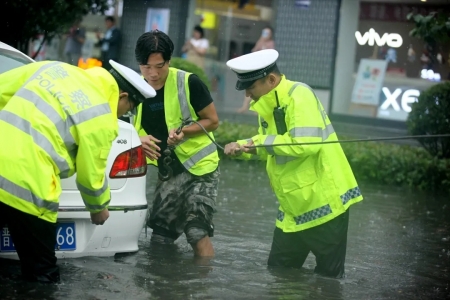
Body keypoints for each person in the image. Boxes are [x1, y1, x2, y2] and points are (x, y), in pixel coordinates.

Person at [0, 59, 156, 283]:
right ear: (122, 96)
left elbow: (2, 88)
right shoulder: (102, 115)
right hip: (27, 186)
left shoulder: (54, 68)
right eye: (129, 108)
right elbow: (90, 175)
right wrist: (98, 208)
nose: (123, 114)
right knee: (42, 275)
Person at [223, 49, 363, 278]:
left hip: (324, 204)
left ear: (271, 79)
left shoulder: (300, 95)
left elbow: (303, 145)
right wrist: (242, 147)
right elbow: (271, 148)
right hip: (293, 207)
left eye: (251, 87)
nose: (248, 94)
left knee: (328, 280)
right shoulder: (265, 105)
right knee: (279, 273)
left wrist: (255, 142)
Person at [133, 30, 220, 257]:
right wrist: (137, 139)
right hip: (168, 172)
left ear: (169, 61)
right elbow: (117, 126)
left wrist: (185, 132)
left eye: (159, 66)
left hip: (201, 169)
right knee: (160, 237)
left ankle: (202, 286)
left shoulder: (188, 82)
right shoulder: (132, 88)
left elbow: (212, 121)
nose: (152, 73)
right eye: (146, 66)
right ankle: (165, 286)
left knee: (196, 231)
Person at [237, 26, 275, 114]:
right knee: (250, 87)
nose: (265, 35)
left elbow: (270, 54)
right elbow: (254, 51)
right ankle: (244, 107)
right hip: (256, 69)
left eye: (267, 33)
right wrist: (260, 41)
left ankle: (258, 109)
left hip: (264, 70)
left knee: (262, 89)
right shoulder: (260, 42)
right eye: (264, 33)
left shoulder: (271, 43)